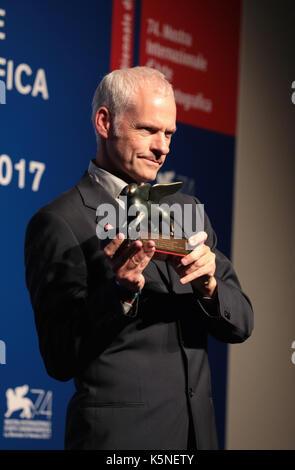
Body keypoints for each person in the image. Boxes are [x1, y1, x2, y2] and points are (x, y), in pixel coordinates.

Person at [24, 66, 253, 450]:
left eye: (169, 133)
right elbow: (59, 359)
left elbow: (242, 323)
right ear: (104, 122)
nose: (163, 147)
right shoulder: (59, 222)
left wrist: (210, 288)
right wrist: (120, 293)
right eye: (148, 130)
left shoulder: (187, 210)